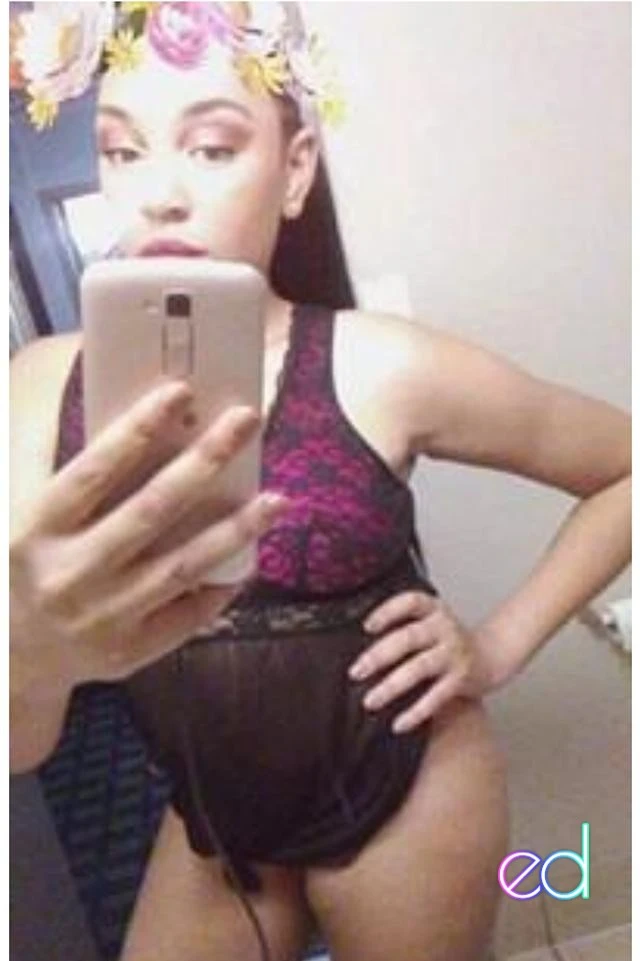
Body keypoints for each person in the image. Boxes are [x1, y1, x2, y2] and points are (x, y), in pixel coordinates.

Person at [10, 5, 631, 961]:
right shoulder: (38, 386)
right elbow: (22, 747)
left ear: (295, 168)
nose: (160, 195)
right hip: (209, 811)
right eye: (122, 151)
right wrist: (32, 649)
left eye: (212, 147)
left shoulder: (385, 364)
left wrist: (498, 644)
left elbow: (626, 465)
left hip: (406, 785)